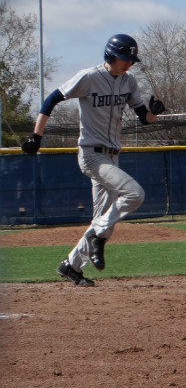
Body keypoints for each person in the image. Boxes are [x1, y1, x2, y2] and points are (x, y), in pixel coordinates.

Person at [20, 34, 165, 287]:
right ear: (110, 55)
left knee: (104, 219)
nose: (129, 63)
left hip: (112, 157)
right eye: (124, 58)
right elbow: (52, 98)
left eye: (131, 60)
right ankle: (96, 237)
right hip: (92, 155)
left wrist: (154, 113)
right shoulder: (89, 77)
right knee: (134, 194)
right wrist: (36, 135)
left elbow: (144, 118)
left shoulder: (129, 81)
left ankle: (71, 265)